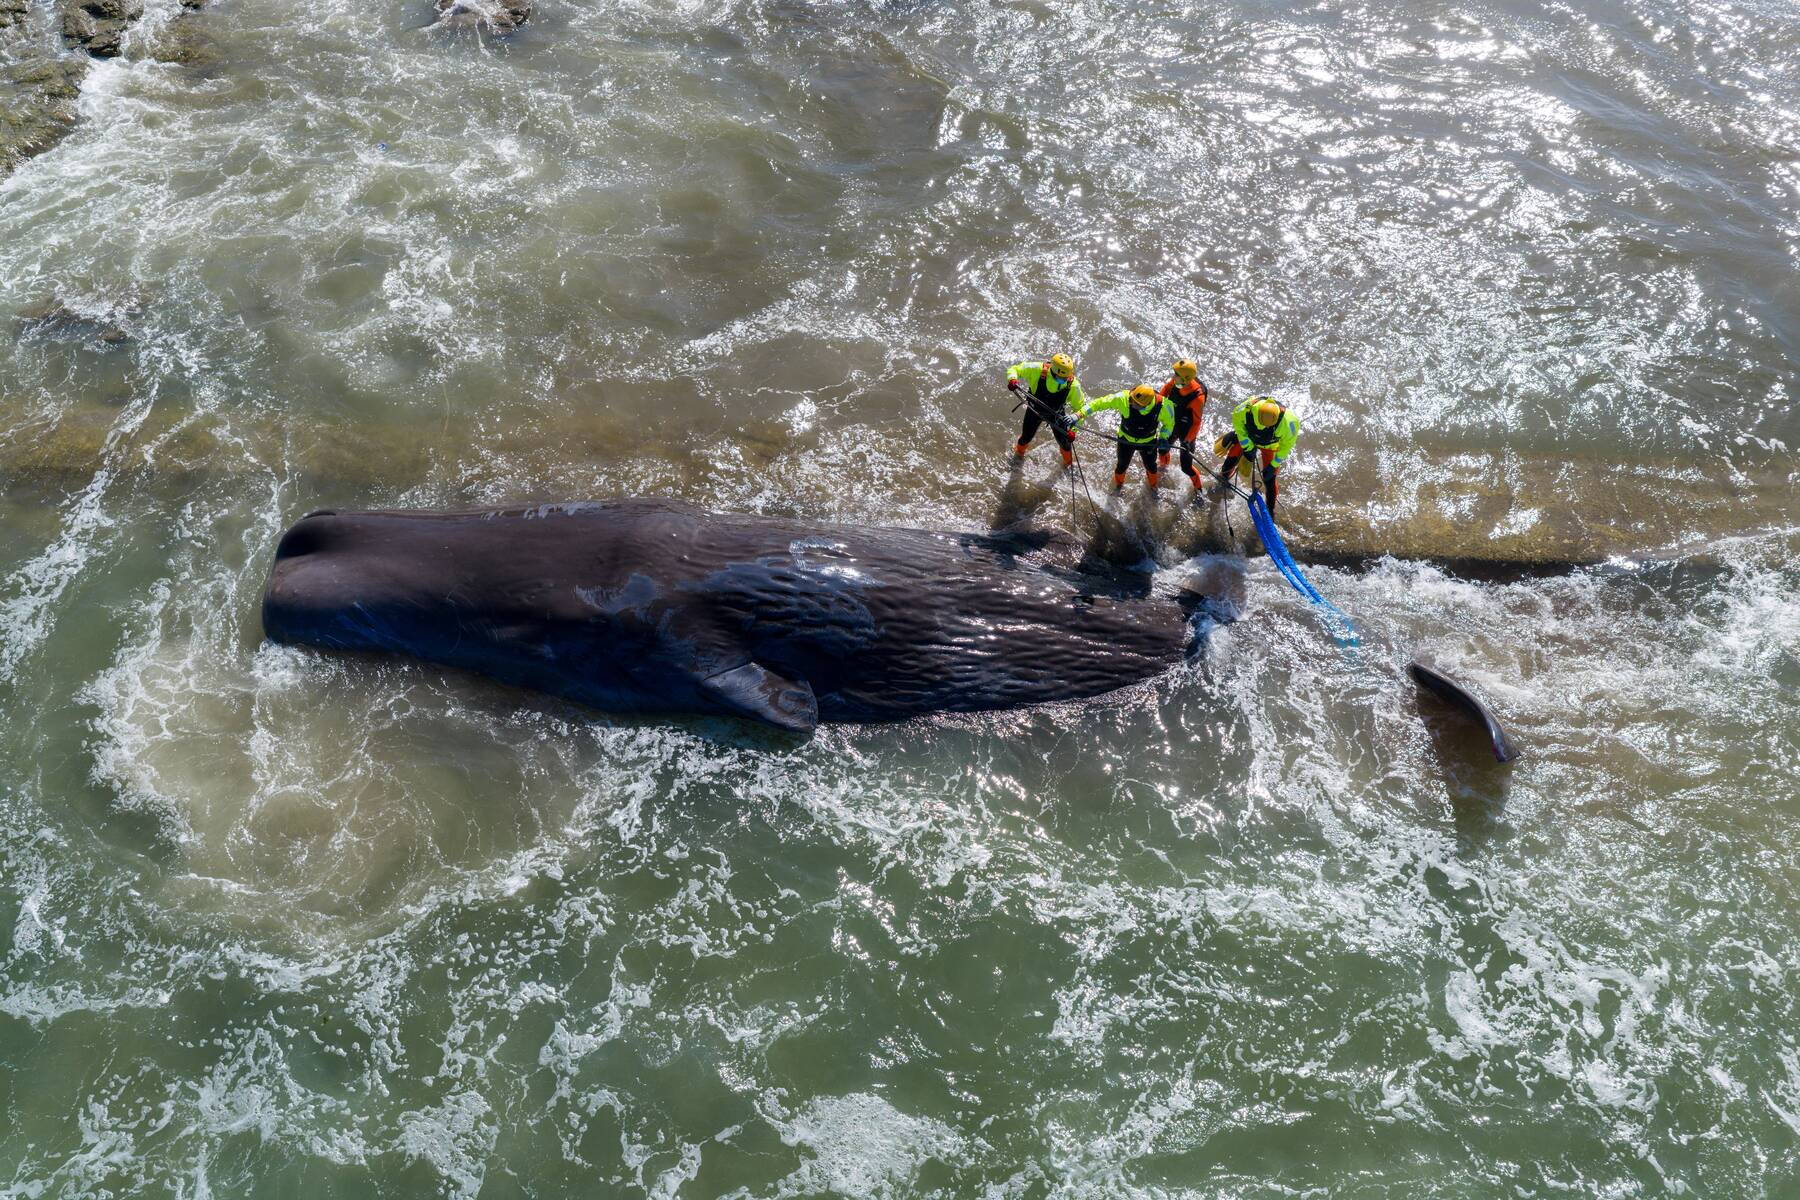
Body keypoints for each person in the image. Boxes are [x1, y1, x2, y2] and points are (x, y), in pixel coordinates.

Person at [1077, 385, 1174, 489]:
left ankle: (1153, 487)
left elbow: (1169, 424)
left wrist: (1164, 437)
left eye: (1136, 404)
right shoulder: (1123, 398)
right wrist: (1079, 414)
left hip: (1148, 443)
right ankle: (1118, 487)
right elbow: (1099, 403)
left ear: (1146, 405)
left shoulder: (1164, 405)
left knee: (1151, 467)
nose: (1132, 404)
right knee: (1121, 466)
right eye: (1132, 400)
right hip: (1126, 441)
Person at [1215, 395, 1300, 511]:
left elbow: (1286, 447)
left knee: (1269, 479)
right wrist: (1247, 447)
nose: (1264, 427)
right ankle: (1222, 483)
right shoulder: (1246, 408)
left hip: (1269, 446)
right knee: (1229, 463)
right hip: (1248, 437)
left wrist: (1274, 464)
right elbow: (1237, 422)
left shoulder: (1290, 422)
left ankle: (1270, 511)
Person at [1006, 354, 1087, 469]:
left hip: (1056, 415)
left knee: (1066, 444)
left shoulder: (1074, 386)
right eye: (1061, 378)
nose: (1064, 381)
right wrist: (1012, 379)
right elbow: (1015, 369)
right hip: (1034, 410)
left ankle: (1068, 466)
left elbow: (1080, 410)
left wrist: (1073, 429)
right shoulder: (1037, 369)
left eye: (1066, 378)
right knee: (1025, 438)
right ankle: (1017, 457)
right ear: (1052, 371)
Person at [1156, 359, 1209, 490]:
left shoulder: (1198, 397)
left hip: (1187, 430)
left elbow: (1197, 423)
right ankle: (1164, 470)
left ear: (1185, 379)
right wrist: (1156, 403)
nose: (1173, 377)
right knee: (1162, 450)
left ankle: (1199, 489)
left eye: (1176, 375)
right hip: (1172, 423)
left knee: (1186, 467)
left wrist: (1187, 441)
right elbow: (1164, 392)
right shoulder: (1176, 381)